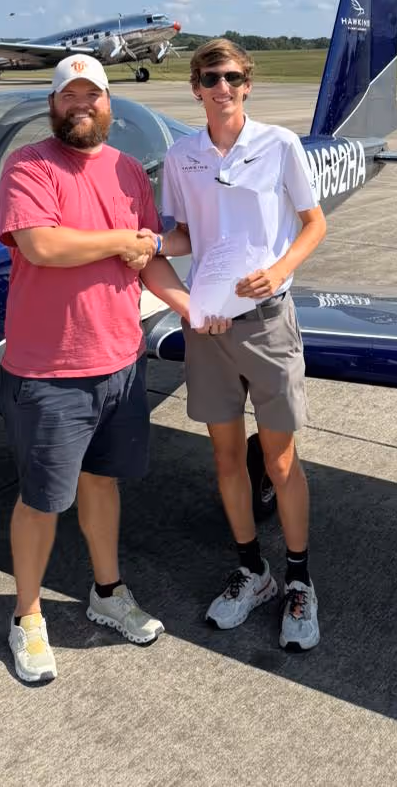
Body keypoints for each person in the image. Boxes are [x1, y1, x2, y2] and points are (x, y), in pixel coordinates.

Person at [0, 53, 194, 683]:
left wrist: (188, 306)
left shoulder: (129, 170)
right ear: (52, 104)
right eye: (68, 96)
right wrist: (121, 239)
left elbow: (149, 255)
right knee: (41, 500)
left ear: (110, 103)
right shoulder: (28, 166)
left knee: (102, 483)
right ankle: (26, 617)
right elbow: (43, 245)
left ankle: (107, 593)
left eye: (93, 95)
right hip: (49, 368)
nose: (81, 105)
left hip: (121, 361)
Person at [156, 38, 327, 652]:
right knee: (227, 460)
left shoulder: (280, 144)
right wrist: (138, 243)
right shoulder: (182, 156)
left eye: (230, 76)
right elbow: (181, 236)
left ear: (247, 84)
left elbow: (314, 224)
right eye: (208, 78)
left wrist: (279, 271)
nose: (220, 87)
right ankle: (253, 571)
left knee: (279, 463)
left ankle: (301, 581)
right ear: (196, 88)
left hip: (267, 320)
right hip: (209, 328)